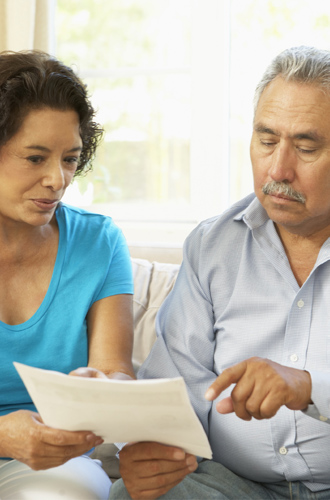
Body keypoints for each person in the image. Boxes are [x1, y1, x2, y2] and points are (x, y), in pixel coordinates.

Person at [110, 45, 330, 500]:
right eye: (266, 141)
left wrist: (309, 387)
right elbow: (173, 390)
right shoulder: (213, 246)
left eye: (307, 147)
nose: (278, 169)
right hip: (233, 486)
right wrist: (150, 451)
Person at [0, 50, 135, 499]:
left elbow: (114, 370)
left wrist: (104, 389)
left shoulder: (99, 244)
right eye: (35, 158)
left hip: (53, 467)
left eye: (70, 159)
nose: (57, 179)